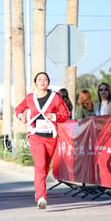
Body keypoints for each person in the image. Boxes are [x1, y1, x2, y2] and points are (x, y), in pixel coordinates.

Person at [14, 72, 70, 209]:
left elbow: (65, 114)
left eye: (45, 79)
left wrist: (54, 116)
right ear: (35, 83)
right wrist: (21, 116)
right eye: (39, 79)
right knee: (40, 165)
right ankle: (41, 196)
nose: (42, 81)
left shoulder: (55, 98)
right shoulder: (30, 98)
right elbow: (18, 109)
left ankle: (39, 191)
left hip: (50, 137)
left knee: (45, 168)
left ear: (48, 82)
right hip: (35, 136)